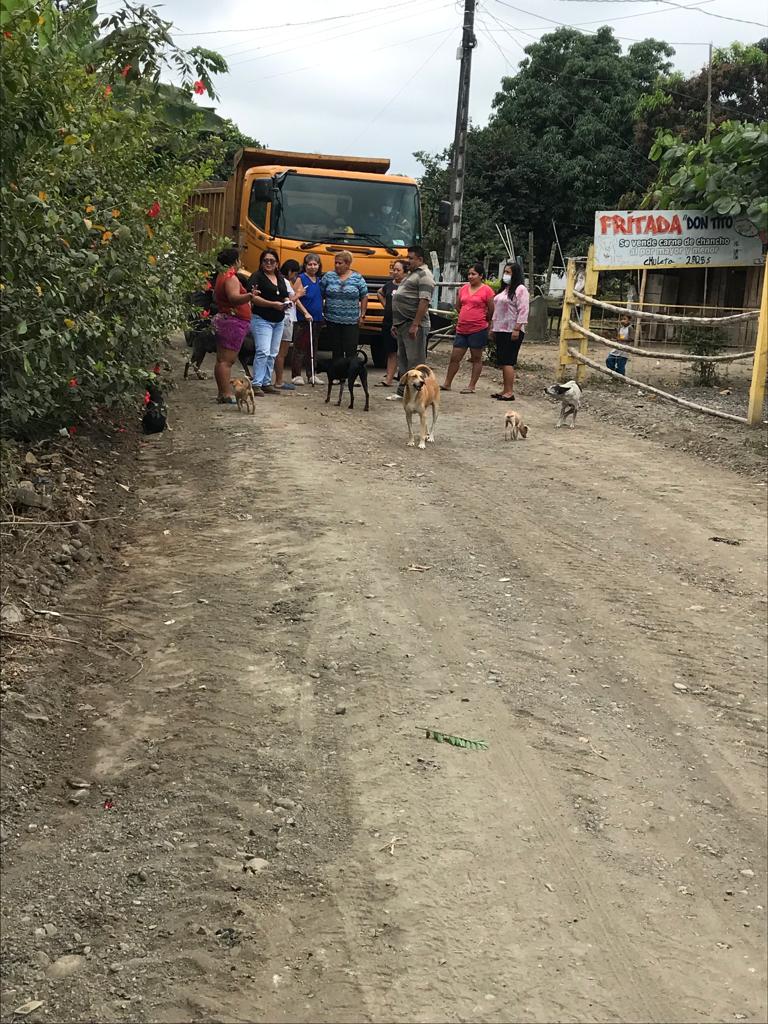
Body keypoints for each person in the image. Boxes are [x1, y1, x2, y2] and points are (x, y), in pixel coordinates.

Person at [388, 245, 435, 401]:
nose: (408, 261)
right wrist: (396, 323)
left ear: (420, 259)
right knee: (403, 358)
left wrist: (415, 324)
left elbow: (424, 301)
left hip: (414, 324)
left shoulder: (425, 275)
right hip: (402, 323)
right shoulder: (412, 274)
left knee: (415, 361)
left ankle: (419, 394)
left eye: (411, 258)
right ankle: (403, 392)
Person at [441, 263, 495, 394]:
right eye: (469, 274)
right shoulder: (463, 289)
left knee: (476, 358)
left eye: (473, 274)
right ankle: (447, 383)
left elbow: (491, 310)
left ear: (481, 276)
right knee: (455, 357)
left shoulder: (487, 290)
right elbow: (458, 306)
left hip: (478, 329)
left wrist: (486, 322)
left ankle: (471, 386)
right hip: (462, 328)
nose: (470, 276)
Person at [211, 248, 255, 404]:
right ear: (235, 261)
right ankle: (226, 393)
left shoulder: (221, 275)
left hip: (226, 320)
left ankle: (222, 393)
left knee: (221, 360)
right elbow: (234, 297)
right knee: (226, 361)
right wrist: (249, 296)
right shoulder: (231, 277)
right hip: (232, 322)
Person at [247, 249, 291, 396]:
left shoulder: (279, 278)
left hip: (278, 319)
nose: (269, 263)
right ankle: (256, 383)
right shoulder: (257, 277)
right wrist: (272, 304)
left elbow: (284, 295)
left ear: (277, 263)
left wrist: (286, 302)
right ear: (261, 262)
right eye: (265, 260)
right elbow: (253, 297)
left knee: (273, 353)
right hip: (262, 318)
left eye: (272, 261)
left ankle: (266, 382)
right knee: (263, 351)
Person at [489, 261, 529, 401]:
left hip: (512, 329)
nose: (505, 275)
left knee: (508, 361)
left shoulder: (521, 289)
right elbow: (497, 310)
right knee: (502, 360)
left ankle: (509, 392)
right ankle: (505, 389)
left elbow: (523, 310)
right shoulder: (504, 289)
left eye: (508, 272)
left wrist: (517, 328)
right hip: (500, 329)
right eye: (505, 272)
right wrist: (493, 327)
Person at [320, 251, 368, 358]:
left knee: (351, 349)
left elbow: (364, 296)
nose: (337, 265)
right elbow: (320, 294)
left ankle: (350, 368)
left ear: (347, 264)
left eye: (340, 263)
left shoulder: (357, 278)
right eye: (335, 263)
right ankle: (337, 368)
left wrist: (362, 315)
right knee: (336, 349)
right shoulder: (328, 276)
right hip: (332, 319)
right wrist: (321, 312)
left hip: (351, 321)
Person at [273, 259, 308, 390]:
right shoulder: (285, 282)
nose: (296, 276)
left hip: (285, 318)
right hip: (286, 318)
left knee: (277, 351)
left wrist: (305, 312)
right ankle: (279, 380)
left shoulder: (279, 280)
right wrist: (299, 294)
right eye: (295, 273)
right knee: (282, 352)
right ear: (289, 271)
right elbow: (289, 301)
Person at [291, 255, 324, 385]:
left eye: (315, 264)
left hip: (317, 318)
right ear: (305, 265)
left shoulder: (319, 280)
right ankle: (296, 375)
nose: (312, 267)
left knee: (313, 347)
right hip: (303, 319)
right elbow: (295, 298)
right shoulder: (301, 278)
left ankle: (312, 374)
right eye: (310, 264)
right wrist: (305, 312)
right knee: (300, 346)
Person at [376, 259, 407, 387]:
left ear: (405, 272)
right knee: (391, 351)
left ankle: (404, 378)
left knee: (404, 352)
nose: (395, 272)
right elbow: (379, 292)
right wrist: (386, 305)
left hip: (403, 322)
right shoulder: (389, 285)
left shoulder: (408, 286)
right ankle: (388, 378)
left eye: (398, 270)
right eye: (394, 270)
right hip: (388, 322)